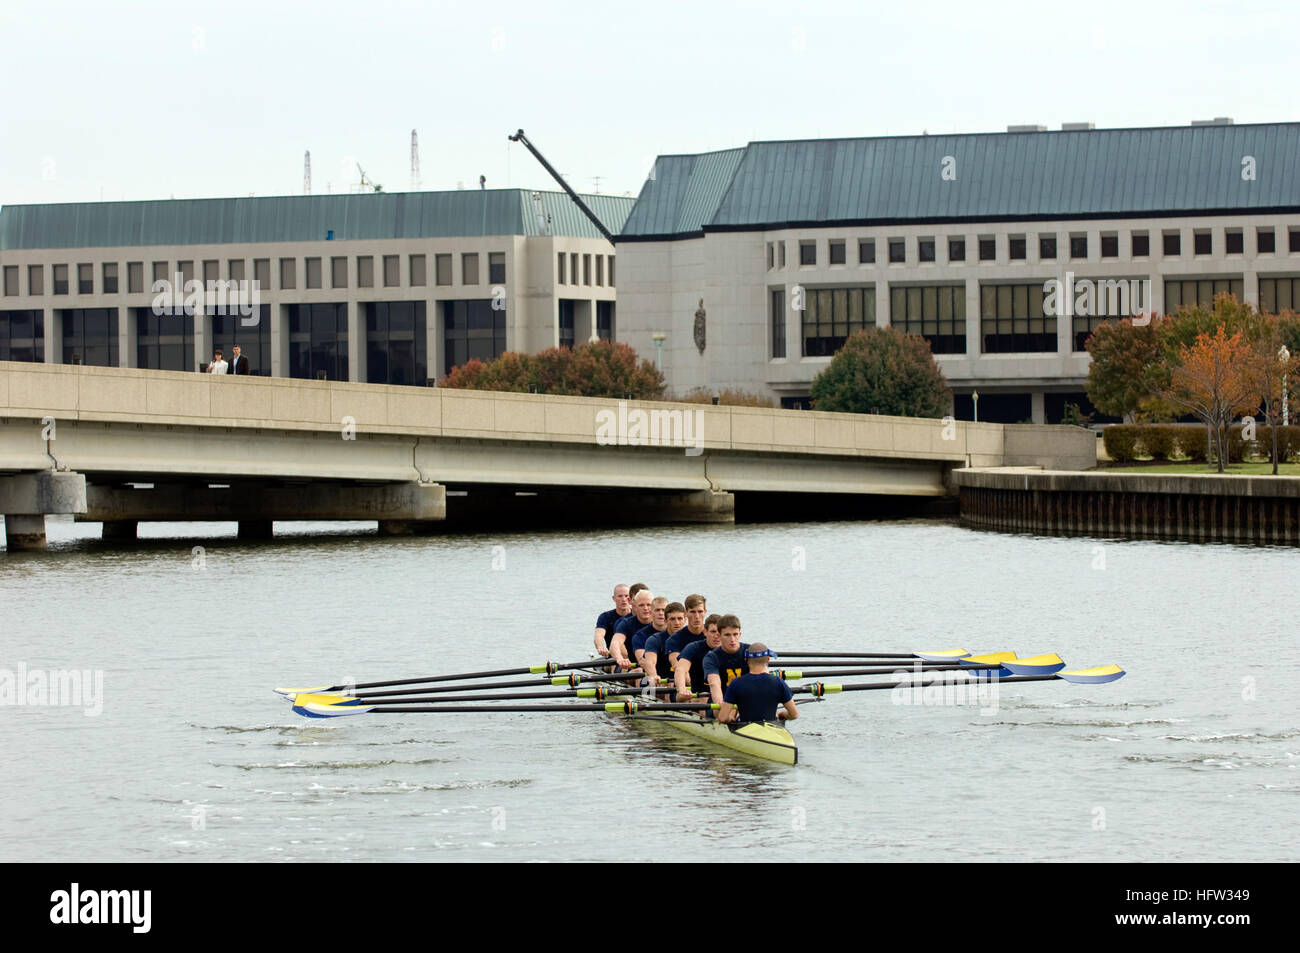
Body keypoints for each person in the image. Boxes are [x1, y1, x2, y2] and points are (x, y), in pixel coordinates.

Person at [718, 643, 798, 725]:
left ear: (746, 660)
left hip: (745, 729)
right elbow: (794, 714)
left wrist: (731, 719)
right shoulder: (779, 682)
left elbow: (723, 718)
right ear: (768, 660)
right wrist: (782, 715)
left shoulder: (736, 683)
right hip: (772, 728)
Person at [703, 614, 749, 706]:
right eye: (727, 635)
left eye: (735, 634)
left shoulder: (750, 651)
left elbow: (764, 678)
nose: (732, 639)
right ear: (719, 636)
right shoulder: (711, 657)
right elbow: (714, 684)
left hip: (747, 702)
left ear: (740, 634)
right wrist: (722, 707)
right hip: (721, 702)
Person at [673, 614, 722, 702]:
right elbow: (680, 669)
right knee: (704, 697)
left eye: (719, 632)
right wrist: (682, 689)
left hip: (723, 697)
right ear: (705, 632)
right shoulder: (694, 647)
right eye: (713, 632)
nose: (716, 635)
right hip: (698, 695)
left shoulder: (731, 650)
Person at [640, 602, 685, 685]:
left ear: (685, 620)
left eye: (680, 618)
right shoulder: (655, 640)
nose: (677, 623)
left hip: (679, 680)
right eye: (672, 619)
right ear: (665, 621)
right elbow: (650, 662)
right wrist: (654, 675)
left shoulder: (692, 640)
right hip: (657, 680)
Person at [609, 588, 654, 670]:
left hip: (654, 666)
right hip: (630, 666)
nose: (645, 608)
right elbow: (615, 643)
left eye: (649, 605)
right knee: (639, 671)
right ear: (635, 607)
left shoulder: (661, 623)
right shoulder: (626, 623)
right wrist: (620, 659)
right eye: (641, 605)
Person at [663, 593, 707, 667]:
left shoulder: (714, 635)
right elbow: (675, 663)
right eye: (692, 612)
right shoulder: (674, 639)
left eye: (700, 611)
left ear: (705, 612)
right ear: (686, 613)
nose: (697, 616)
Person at [629, 597, 670, 669]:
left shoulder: (677, 634)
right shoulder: (640, 635)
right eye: (657, 610)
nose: (661, 613)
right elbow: (642, 661)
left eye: (663, 610)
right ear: (651, 612)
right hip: (648, 671)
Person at [593, 584, 633, 657]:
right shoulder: (605, 617)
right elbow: (599, 634)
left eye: (626, 596)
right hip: (613, 656)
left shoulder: (637, 616)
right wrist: (601, 647)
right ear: (614, 598)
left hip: (635, 656)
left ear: (631, 599)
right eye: (620, 596)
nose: (624, 599)